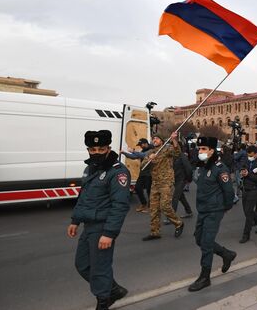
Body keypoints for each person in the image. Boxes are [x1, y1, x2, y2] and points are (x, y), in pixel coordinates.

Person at [68, 130, 130, 310]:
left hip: (103, 227)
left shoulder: (118, 172)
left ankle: (103, 301)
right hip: (88, 225)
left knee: (99, 269)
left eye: (101, 149)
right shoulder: (90, 169)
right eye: (92, 149)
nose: (96, 152)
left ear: (108, 148)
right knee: (82, 265)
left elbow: (120, 205)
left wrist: (109, 233)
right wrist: (75, 221)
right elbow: (84, 197)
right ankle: (113, 289)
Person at [188, 136, 237, 292]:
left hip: (214, 210)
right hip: (202, 209)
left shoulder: (220, 167)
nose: (200, 152)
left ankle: (205, 277)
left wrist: (227, 206)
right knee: (199, 239)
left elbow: (228, 190)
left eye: (203, 149)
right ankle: (226, 254)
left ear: (211, 150)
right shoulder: (202, 166)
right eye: (199, 149)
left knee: (207, 243)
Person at [141, 133, 184, 241]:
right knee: (154, 209)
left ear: (161, 140)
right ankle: (155, 232)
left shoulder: (167, 149)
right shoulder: (150, 152)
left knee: (165, 206)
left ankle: (178, 223)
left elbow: (177, 153)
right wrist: (148, 159)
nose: (154, 140)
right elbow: (143, 167)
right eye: (153, 138)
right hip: (155, 183)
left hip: (166, 182)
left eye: (156, 138)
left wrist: (174, 140)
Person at [238, 145, 257, 243]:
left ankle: (246, 234)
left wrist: (248, 174)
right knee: (247, 211)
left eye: (250, 155)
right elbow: (242, 167)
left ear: (256, 154)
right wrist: (242, 172)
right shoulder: (247, 161)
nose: (249, 156)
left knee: (248, 212)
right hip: (245, 188)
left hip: (254, 189)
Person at [119, 138, 152, 213]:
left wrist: (133, 151)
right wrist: (124, 153)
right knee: (137, 188)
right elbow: (134, 157)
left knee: (149, 190)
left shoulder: (151, 149)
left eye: (141, 145)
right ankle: (144, 204)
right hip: (143, 173)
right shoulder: (142, 150)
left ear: (145, 143)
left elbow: (144, 155)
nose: (140, 146)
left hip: (150, 174)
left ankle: (151, 207)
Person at [170, 146, 193, 220]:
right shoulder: (172, 156)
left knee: (175, 197)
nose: (170, 149)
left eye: (171, 147)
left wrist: (189, 179)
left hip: (181, 179)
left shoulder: (182, 156)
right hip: (175, 179)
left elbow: (189, 168)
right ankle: (189, 211)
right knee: (181, 196)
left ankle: (171, 217)